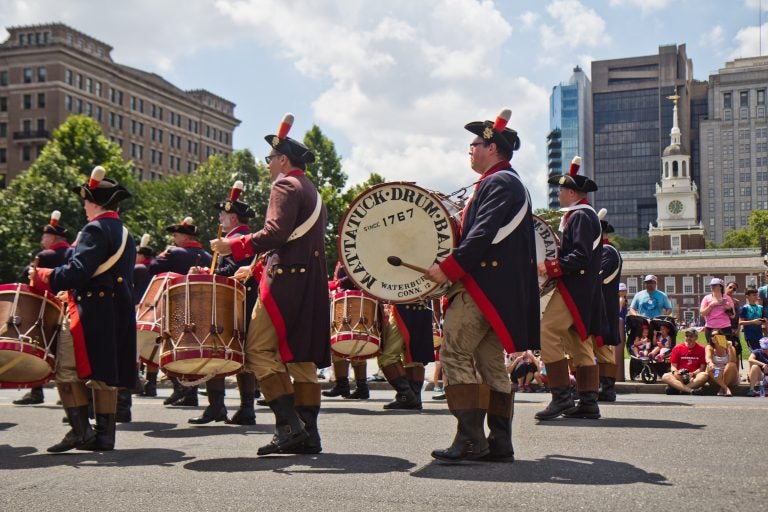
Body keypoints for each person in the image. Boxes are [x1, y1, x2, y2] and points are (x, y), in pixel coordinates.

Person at [212, 113, 330, 455]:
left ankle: (289, 426)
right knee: (301, 360)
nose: (267, 166)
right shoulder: (310, 189)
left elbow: (275, 233)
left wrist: (233, 246)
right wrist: (255, 265)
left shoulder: (284, 185)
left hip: (285, 284)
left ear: (282, 160)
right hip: (308, 282)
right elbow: (291, 238)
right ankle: (309, 434)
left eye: (269, 159)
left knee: (258, 350)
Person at [425, 107, 539, 462]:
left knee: (454, 353)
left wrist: (449, 268)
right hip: (495, 292)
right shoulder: (504, 182)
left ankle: (472, 440)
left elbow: (482, 234)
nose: (470, 150)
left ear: (492, 147)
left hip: (482, 288)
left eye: (474, 144)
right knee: (490, 366)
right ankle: (500, 443)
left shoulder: (499, 182)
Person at [29, 166, 136, 452]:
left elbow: (78, 272)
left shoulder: (94, 228)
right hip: (117, 310)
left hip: (90, 310)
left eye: (86, 200)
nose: (84, 205)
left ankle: (80, 432)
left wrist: (43, 276)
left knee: (65, 370)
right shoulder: (124, 231)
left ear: (95, 203)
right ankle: (105, 436)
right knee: (105, 374)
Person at [534, 155, 606, 421]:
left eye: (562, 190)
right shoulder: (580, 216)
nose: (559, 194)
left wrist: (550, 267)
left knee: (547, 331)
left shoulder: (580, 217)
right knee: (579, 343)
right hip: (582, 290)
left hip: (574, 289)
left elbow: (580, 256)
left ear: (573, 193)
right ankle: (588, 402)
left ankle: (561, 396)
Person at [189, 180, 261, 425]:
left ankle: (234, 408)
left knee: (222, 350)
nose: (220, 217)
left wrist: (212, 275)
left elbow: (236, 269)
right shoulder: (234, 238)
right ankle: (232, 407)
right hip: (230, 302)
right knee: (226, 352)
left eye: (224, 213)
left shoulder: (240, 238)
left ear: (234, 218)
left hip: (236, 304)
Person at [148, 216, 213, 407]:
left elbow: (152, 268)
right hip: (199, 309)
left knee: (171, 347)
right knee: (191, 349)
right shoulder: (208, 256)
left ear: (185, 237)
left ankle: (181, 389)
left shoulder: (174, 252)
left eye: (176, 235)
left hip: (176, 305)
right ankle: (190, 393)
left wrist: (162, 254)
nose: (174, 239)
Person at [14, 210, 72, 406]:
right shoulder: (73, 252)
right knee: (64, 352)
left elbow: (28, 275)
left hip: (46, 308)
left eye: (44, 235)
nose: (41, 239)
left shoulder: (45, 255)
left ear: (54, 237)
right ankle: (69, 392)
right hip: (68, 306)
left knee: (40, 348)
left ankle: (36, 391)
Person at [323, 261, 371, 400]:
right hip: (346, 301)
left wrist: (338, 284)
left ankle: (357, 386)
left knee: (353, 344)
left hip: (354, 302)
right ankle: (349, 385)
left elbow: (358, 275)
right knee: (343, 345)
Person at [378, 301, 434, 410]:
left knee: (387, 357)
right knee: (414, 356)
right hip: (421, 304)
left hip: (403, 305)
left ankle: (407, 397)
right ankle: (414, 398)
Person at [595, 209, 622, 402]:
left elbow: (597, 277)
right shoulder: (602, 250)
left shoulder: (607, 251)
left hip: (603, 305)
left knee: (602, 347)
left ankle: (607, 387)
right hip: (601, 304)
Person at [660, 327, 708, 395]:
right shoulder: (678, 347)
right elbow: (673, 366)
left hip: (693, 377)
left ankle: (680, 388)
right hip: (680, 376)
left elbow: (702, 368)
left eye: (691, 336)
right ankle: (690, 390)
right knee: (665, 376)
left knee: (704, 375)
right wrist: (675, 372)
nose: (688, 338)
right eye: (687, 336)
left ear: (696, 337)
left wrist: (693, 374)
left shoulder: (702, 349)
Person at [699, 278, 735, 343]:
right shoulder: (706, 298)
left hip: (725, 328)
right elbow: (702, 313)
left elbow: (733, 316)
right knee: (712, 348)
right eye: (711, 285)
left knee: (726, 348)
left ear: (720, 287)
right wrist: (711, 305)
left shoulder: (727, 298)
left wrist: (727, 307)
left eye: (715, 285)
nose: (712, 287)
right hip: (710, 328)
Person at [704, 331, 739, 396]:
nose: (714, 337)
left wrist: (730, 348)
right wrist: (711, 363)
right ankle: (725, 388)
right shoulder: (710, 347)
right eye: (712, 336)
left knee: (731, 365)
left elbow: (733, 360)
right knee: (709, 367)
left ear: (722, 337)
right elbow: (708, 358)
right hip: (717, 374)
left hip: (729, 374)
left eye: (716, 335)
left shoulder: (729, 347)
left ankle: (722, 388)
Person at [740, 288, 765, 352]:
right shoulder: (745, 308)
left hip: (760, 335)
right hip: (750, 335)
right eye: (754, 295)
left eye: (756, 295)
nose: (756, 296)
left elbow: (763, 319)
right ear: (747, 296)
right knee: (754, 353)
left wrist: (763, 321)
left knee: (761, 353)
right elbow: (740, 322)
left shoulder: (760, 308)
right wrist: (753, 322)